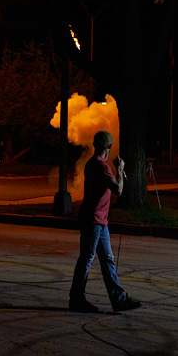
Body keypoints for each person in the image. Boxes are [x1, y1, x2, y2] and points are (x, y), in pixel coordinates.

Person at [68, 130, 142, 313]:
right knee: (87, 259)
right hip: (94, 220)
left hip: (98, 221)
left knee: (105, 259)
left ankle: (118, 299)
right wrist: (120, 169)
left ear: (95, 145)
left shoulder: (92, 163)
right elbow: (118, 190)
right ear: (109, 146)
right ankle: (77, 299)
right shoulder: (101, 166)